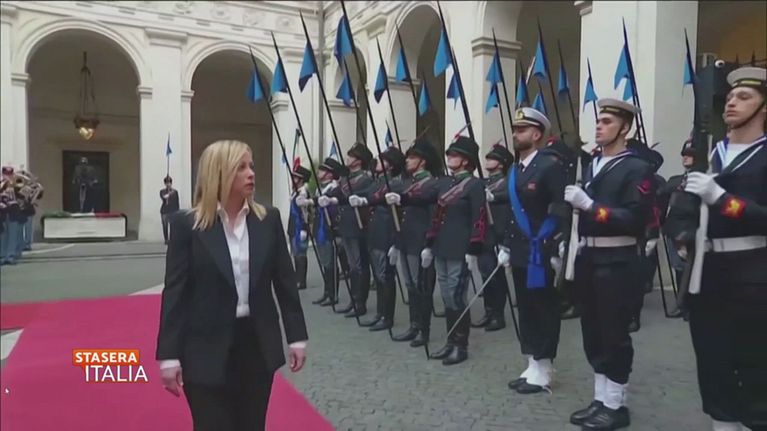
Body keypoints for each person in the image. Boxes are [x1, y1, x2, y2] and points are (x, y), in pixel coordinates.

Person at [156, 140, 308, 431]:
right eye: (241, 167)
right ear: (219, 172)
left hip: (255, 345)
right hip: (204, 347)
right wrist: (168, 355)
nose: (251, 173)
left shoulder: (268, 219)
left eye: (251, 166)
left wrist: (297, 337)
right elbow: (175, 292)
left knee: (252, 425)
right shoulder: (187, 225)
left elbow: (285, 283)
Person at [675, 66, 767, 431]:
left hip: (753, 274)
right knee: (711, 360)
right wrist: (683, 233)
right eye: (729, 97)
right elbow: (682, 208)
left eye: (744, 97)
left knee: (755, 363)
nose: (732, 102)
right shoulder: (711, 155)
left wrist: (723, 200)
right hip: (707, 274)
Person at [565, 99, 654, 430]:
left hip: (618, 259)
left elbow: (635, 218)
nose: (599, 126)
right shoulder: (592, 165)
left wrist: (590, 206)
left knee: (614, 333)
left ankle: (616, 405)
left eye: (607, 122)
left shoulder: (636, 168)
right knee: (593, 332)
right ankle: (601, 399)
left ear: (624, 129)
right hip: (589, 257)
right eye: (599, 121)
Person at [398, 136, 486, 366]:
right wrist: (401, 197)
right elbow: (426, 201)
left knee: (456, 296)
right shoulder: (444, 183)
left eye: (454, 155)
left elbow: (479, 218)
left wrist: (474, 247)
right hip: (441, 246)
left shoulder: (474, 185)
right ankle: (450, 342)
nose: (449, 158)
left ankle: (460, 346)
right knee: (447, 296)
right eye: (448, 154)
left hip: (460, 247)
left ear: (466, 160)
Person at [497, 107, 567, 394]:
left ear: (537, 134)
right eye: (515, 129)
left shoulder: (551, 165)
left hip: (542, 248)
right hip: (520, 248)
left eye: (521, 130)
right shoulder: (516, 169)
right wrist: (506, 244)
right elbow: (513, 213)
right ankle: (532, 362)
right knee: (524, 307)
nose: (515, 134)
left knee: (543, 307)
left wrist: (559, 245)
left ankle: (545, 365)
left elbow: (561, 207)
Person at [386, 140, 442, 347]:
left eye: (412, 157)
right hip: (405, 239)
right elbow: (400, 216)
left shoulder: (432, 184)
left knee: (422, 286)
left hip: (420, 240)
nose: (407, 161)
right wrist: (395, 242)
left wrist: (430, 244)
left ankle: (423, 330)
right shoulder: (407, 183)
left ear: (423, 161)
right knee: (410, 285)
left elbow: (432, 212)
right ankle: (414, 325)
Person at [349, 146, 407, 331]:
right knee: (379, 276)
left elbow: (375, 198)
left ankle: (387, 316)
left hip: (386, 233)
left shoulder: (395, 184)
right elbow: (367, 193)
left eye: (384, 160)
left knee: (385, 276)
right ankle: (380, 313)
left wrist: (365, 200)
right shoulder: (378, 182)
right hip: (374, 233)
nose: (378, 163)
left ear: (391, 165)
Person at [318, 143, 375, 318]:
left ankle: (360, 302)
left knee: (359, 265)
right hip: (346, 225)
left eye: (351, 156)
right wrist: (329, 199)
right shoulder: (346, 178)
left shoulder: (365, 179)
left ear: (359, 160)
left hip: (358, 226)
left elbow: (362, 196)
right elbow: (339, 194)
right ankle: (353, 299)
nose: (347, 159)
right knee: (352, 266)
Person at [473, 144, 514, 332]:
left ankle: (498, 315)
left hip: (498, 234)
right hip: (484, 235)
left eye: (492, 159)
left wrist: (504, 241)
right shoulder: (484, 182)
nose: (487, 161)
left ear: (501, 164)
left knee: (496, 278)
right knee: (485, 276)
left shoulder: (506, 183)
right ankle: (488, 311)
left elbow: (508, 199)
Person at [299, 158, 346, 307]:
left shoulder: (334, 189)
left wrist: (310, 201)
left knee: (331, 264)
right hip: (320, 229)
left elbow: (328, 204)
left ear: (330, 174)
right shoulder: (321, 188)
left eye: (323, 170)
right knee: (325, 263)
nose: (319, 172)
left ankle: (333, 295)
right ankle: (326, 292)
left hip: (329, 230)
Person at [288, 165, 312, 290]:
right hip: (293, 225)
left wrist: (304, 228)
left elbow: (305, 212)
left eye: (296, 177)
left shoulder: (303, 192)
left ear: (301, 179)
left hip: (300, 226)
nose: (293, 179)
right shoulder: (296, 191)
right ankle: (297, 278)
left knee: (300, 253)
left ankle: (301, 281)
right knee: (295, 253)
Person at [160, 176, 180, 245]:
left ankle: (172, 239)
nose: (168, 184)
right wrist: (168, 194)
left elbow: (177, 202)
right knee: (165, 225)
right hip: (164, 211)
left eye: (169, 183)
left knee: (172, 226)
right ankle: (166, 239)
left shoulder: (175, 192)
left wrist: (177, 211)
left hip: (172, 210)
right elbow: (163, 197)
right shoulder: (162, 191)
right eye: (167, 183)